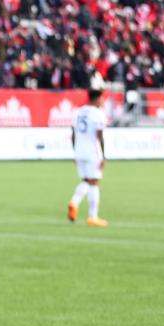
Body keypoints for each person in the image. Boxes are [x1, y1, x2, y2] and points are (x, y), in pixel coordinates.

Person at [68, 88, 108, 227]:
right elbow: (100, 136)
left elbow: (73, 133)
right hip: (92, 152)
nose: (102, 101)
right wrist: (103, 155)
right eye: (101, 98)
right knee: (94, 182)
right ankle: (93, 216)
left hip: (79, 151)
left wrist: (75, 151)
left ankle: (74, 201)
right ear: (96, 98)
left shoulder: (78, 112)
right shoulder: (98, 114)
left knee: (86, 180)